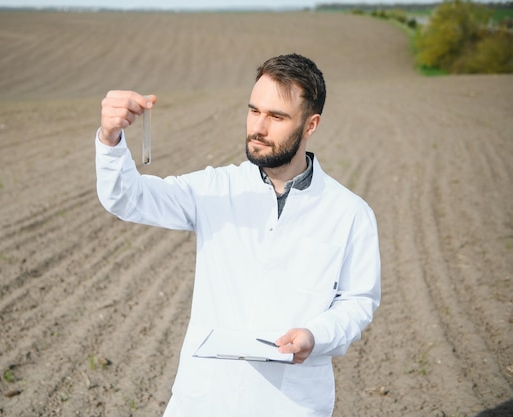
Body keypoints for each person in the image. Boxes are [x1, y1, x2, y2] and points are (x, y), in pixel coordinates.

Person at [95, 53, 381, 417]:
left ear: (311, 125)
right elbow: (126, 197)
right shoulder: (215, 189)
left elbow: (358, 300)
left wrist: (316, 335)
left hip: (290, 404)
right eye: (254, 110)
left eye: (276, 116)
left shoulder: (349, 212)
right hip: (203, 401)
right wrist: (110, 136)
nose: (258, 127)